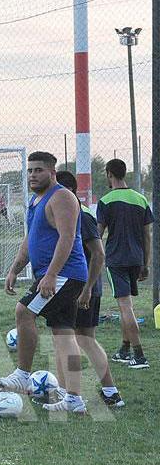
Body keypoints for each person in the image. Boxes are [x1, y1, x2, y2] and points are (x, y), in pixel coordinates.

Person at [0, 151, 89, 413]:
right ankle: (74, 400)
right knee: (63, 334)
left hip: (64, 274)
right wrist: (15, 268)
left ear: (52, 172)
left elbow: (67, 237)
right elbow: (30, 240)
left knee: (24, 311)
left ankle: (23, 374)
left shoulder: (61, 197)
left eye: (39, 170)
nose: (33, 175)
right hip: (56, 274)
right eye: (30, 170)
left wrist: (50, 274)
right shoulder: (36, 200)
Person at [56, 171, 124, 407]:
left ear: (67, 192)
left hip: (82, 289)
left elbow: (98, 254)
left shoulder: (81, 215)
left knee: (82, 340)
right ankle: (66, 391)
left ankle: (109, 391)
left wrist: (87, 289)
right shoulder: (70, 212)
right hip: (73, 288)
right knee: (68, 338)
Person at [97, 158, 153, 369]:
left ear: (109, 174)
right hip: (136, 259)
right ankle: (124, 349)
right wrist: (145, 264)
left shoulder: (106, 201)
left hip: (116, 260)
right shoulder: (140, 199)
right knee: (125, 306)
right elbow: (147, 236)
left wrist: (94, 258)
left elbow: (98, 234)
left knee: (125, 307)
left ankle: (139, 356)